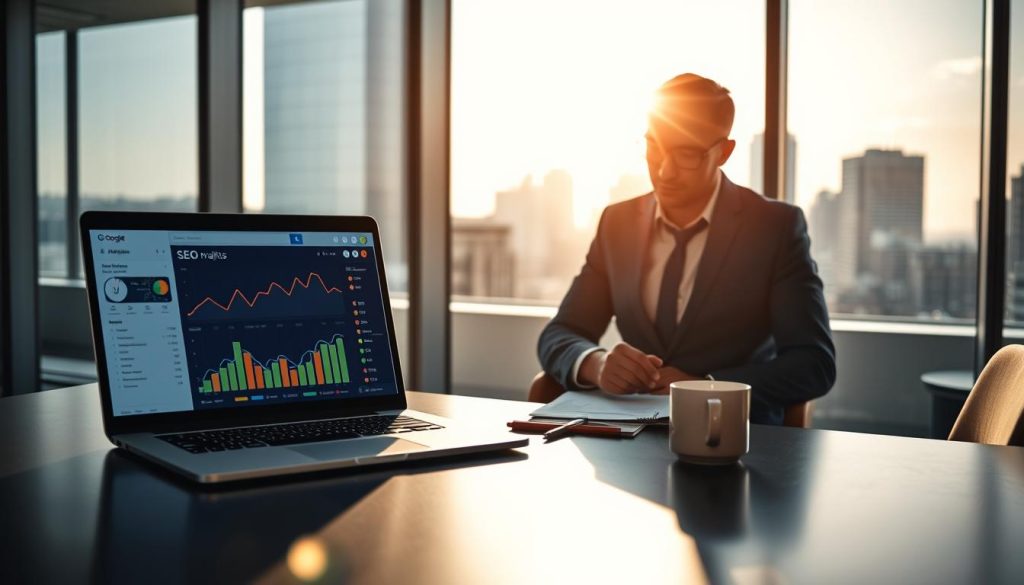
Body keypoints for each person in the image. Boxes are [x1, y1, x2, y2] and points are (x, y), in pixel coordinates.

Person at [536, 73, 836, 425]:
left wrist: (705, 387)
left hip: (734, 435)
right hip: (628, 434)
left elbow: (813, 363)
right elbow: (560, 333)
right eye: (654, 148)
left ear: (723, 152)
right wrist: (596, 363)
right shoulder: (617, 223)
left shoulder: (775, 227)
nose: (665, 171)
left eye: (687, 155)